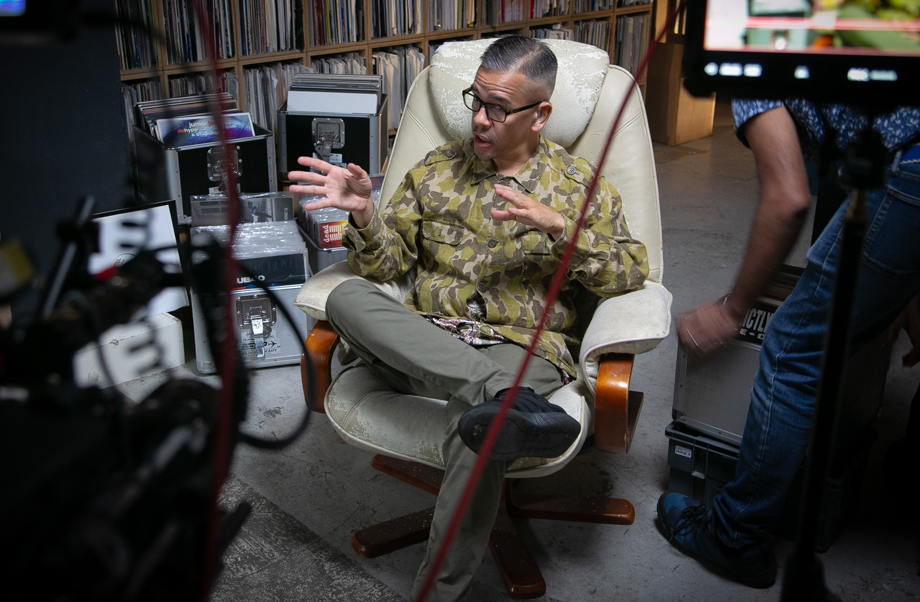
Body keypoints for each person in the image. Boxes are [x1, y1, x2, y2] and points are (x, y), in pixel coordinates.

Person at [289, 36, 649, 601]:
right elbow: (388, 264)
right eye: (474, 101)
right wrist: (363, 213)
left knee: (481, 423)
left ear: (541, 116)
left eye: (498, 108)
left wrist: (562, 230)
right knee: (345, 299)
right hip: (423, 341)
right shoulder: (436, 170)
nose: (479, 120)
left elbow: (631, 274)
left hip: (521, 350)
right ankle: (502, 397)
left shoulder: (579, 186)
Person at [658, 99, 920, 588]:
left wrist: (733, 310)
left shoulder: (750, 47)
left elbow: (789, 198)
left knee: (794, 350)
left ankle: (735, 537)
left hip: (909, 166)